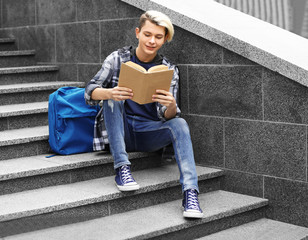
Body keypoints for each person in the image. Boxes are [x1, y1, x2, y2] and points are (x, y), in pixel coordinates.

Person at [85, 10, 203, 219]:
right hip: (119, 131)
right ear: (138, 33)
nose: (152, 41)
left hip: (149, 133)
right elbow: (89, 91)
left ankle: (190, 193)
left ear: (165, 39)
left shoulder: (168, 69)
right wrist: (110, 92)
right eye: (148, 34)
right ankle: (122, 169)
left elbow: (168, 117)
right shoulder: (117, 58)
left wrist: (171, 105)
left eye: (158, 36)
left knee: (180, 123)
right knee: (112, 98)